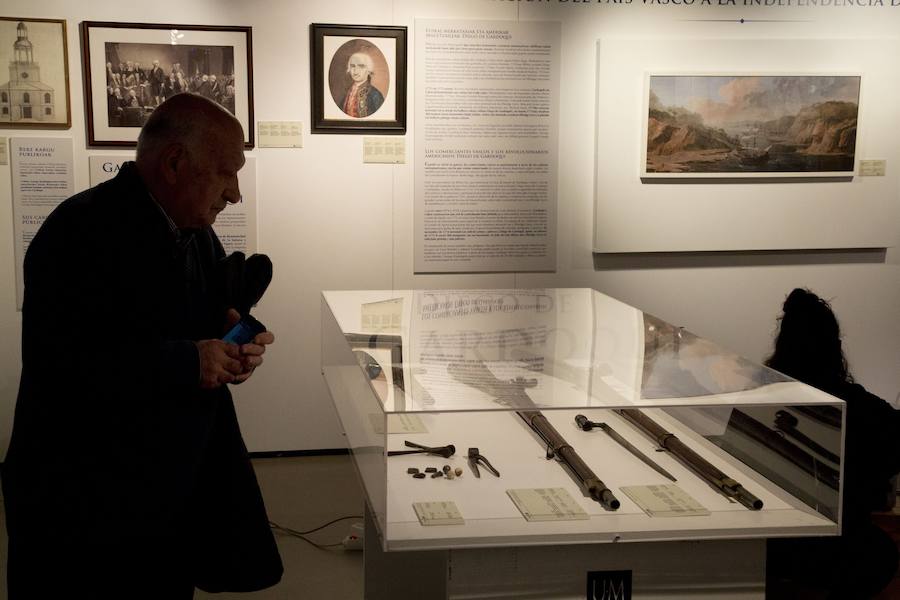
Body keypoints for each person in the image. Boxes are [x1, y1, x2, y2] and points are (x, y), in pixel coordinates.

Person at [2, 93, 283, 599]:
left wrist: (232, 351)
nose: (235, 194)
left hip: (165, 494)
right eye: (225, 172)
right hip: (88, 505)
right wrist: (188, 362)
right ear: (175, 163)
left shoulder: (194, 233)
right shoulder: (77, 232)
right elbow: (63, 367)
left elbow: (200, 325)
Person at [765, 288, 899, 598]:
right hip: (840, 553)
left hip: (773, 549)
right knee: (880, 553)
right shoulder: (864, 409)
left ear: (781, 347)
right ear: (836, 348)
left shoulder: (762, 400)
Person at [339, 50, 384, 117]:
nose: (356, 70)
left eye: (361, 66)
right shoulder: (346, 92)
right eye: (353, 66)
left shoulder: (375, 94)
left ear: (369, 71)